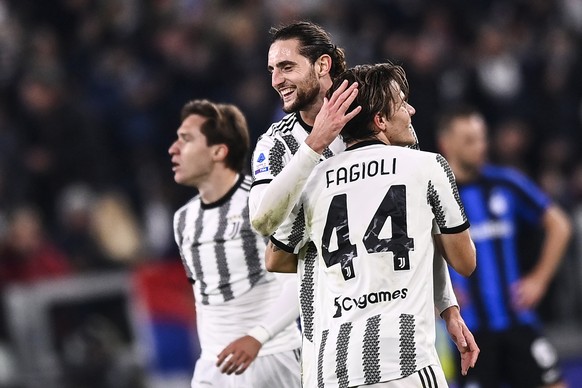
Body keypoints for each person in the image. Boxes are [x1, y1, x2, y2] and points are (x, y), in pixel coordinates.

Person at [248, 21, 479, 386]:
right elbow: (261, 221)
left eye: (287, 67)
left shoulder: (375, 116)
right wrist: (313, 146)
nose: (276, 79)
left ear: (323, 65)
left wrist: (447, 306)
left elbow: (418, 226)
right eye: (272, 70)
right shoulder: (276, 145)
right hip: (324, 334)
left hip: (399, 327)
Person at [168, 99, 302, 388]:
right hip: (214, 366)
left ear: (218, 151)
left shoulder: (261, 203)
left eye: (186, 140)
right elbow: (204, 301)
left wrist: (258, 336)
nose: (173, 149)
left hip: (272, 357)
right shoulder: (183, 220)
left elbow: (301, 280)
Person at [436, 105, 572, 388]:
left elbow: (560, 225)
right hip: (470, 331)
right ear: (446, 144)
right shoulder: (436, 194)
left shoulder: (506, 183)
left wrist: (539, 279)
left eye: (482, 137)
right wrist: (440, 294)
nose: (480, 147)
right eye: (469, 140)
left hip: (518, 320)